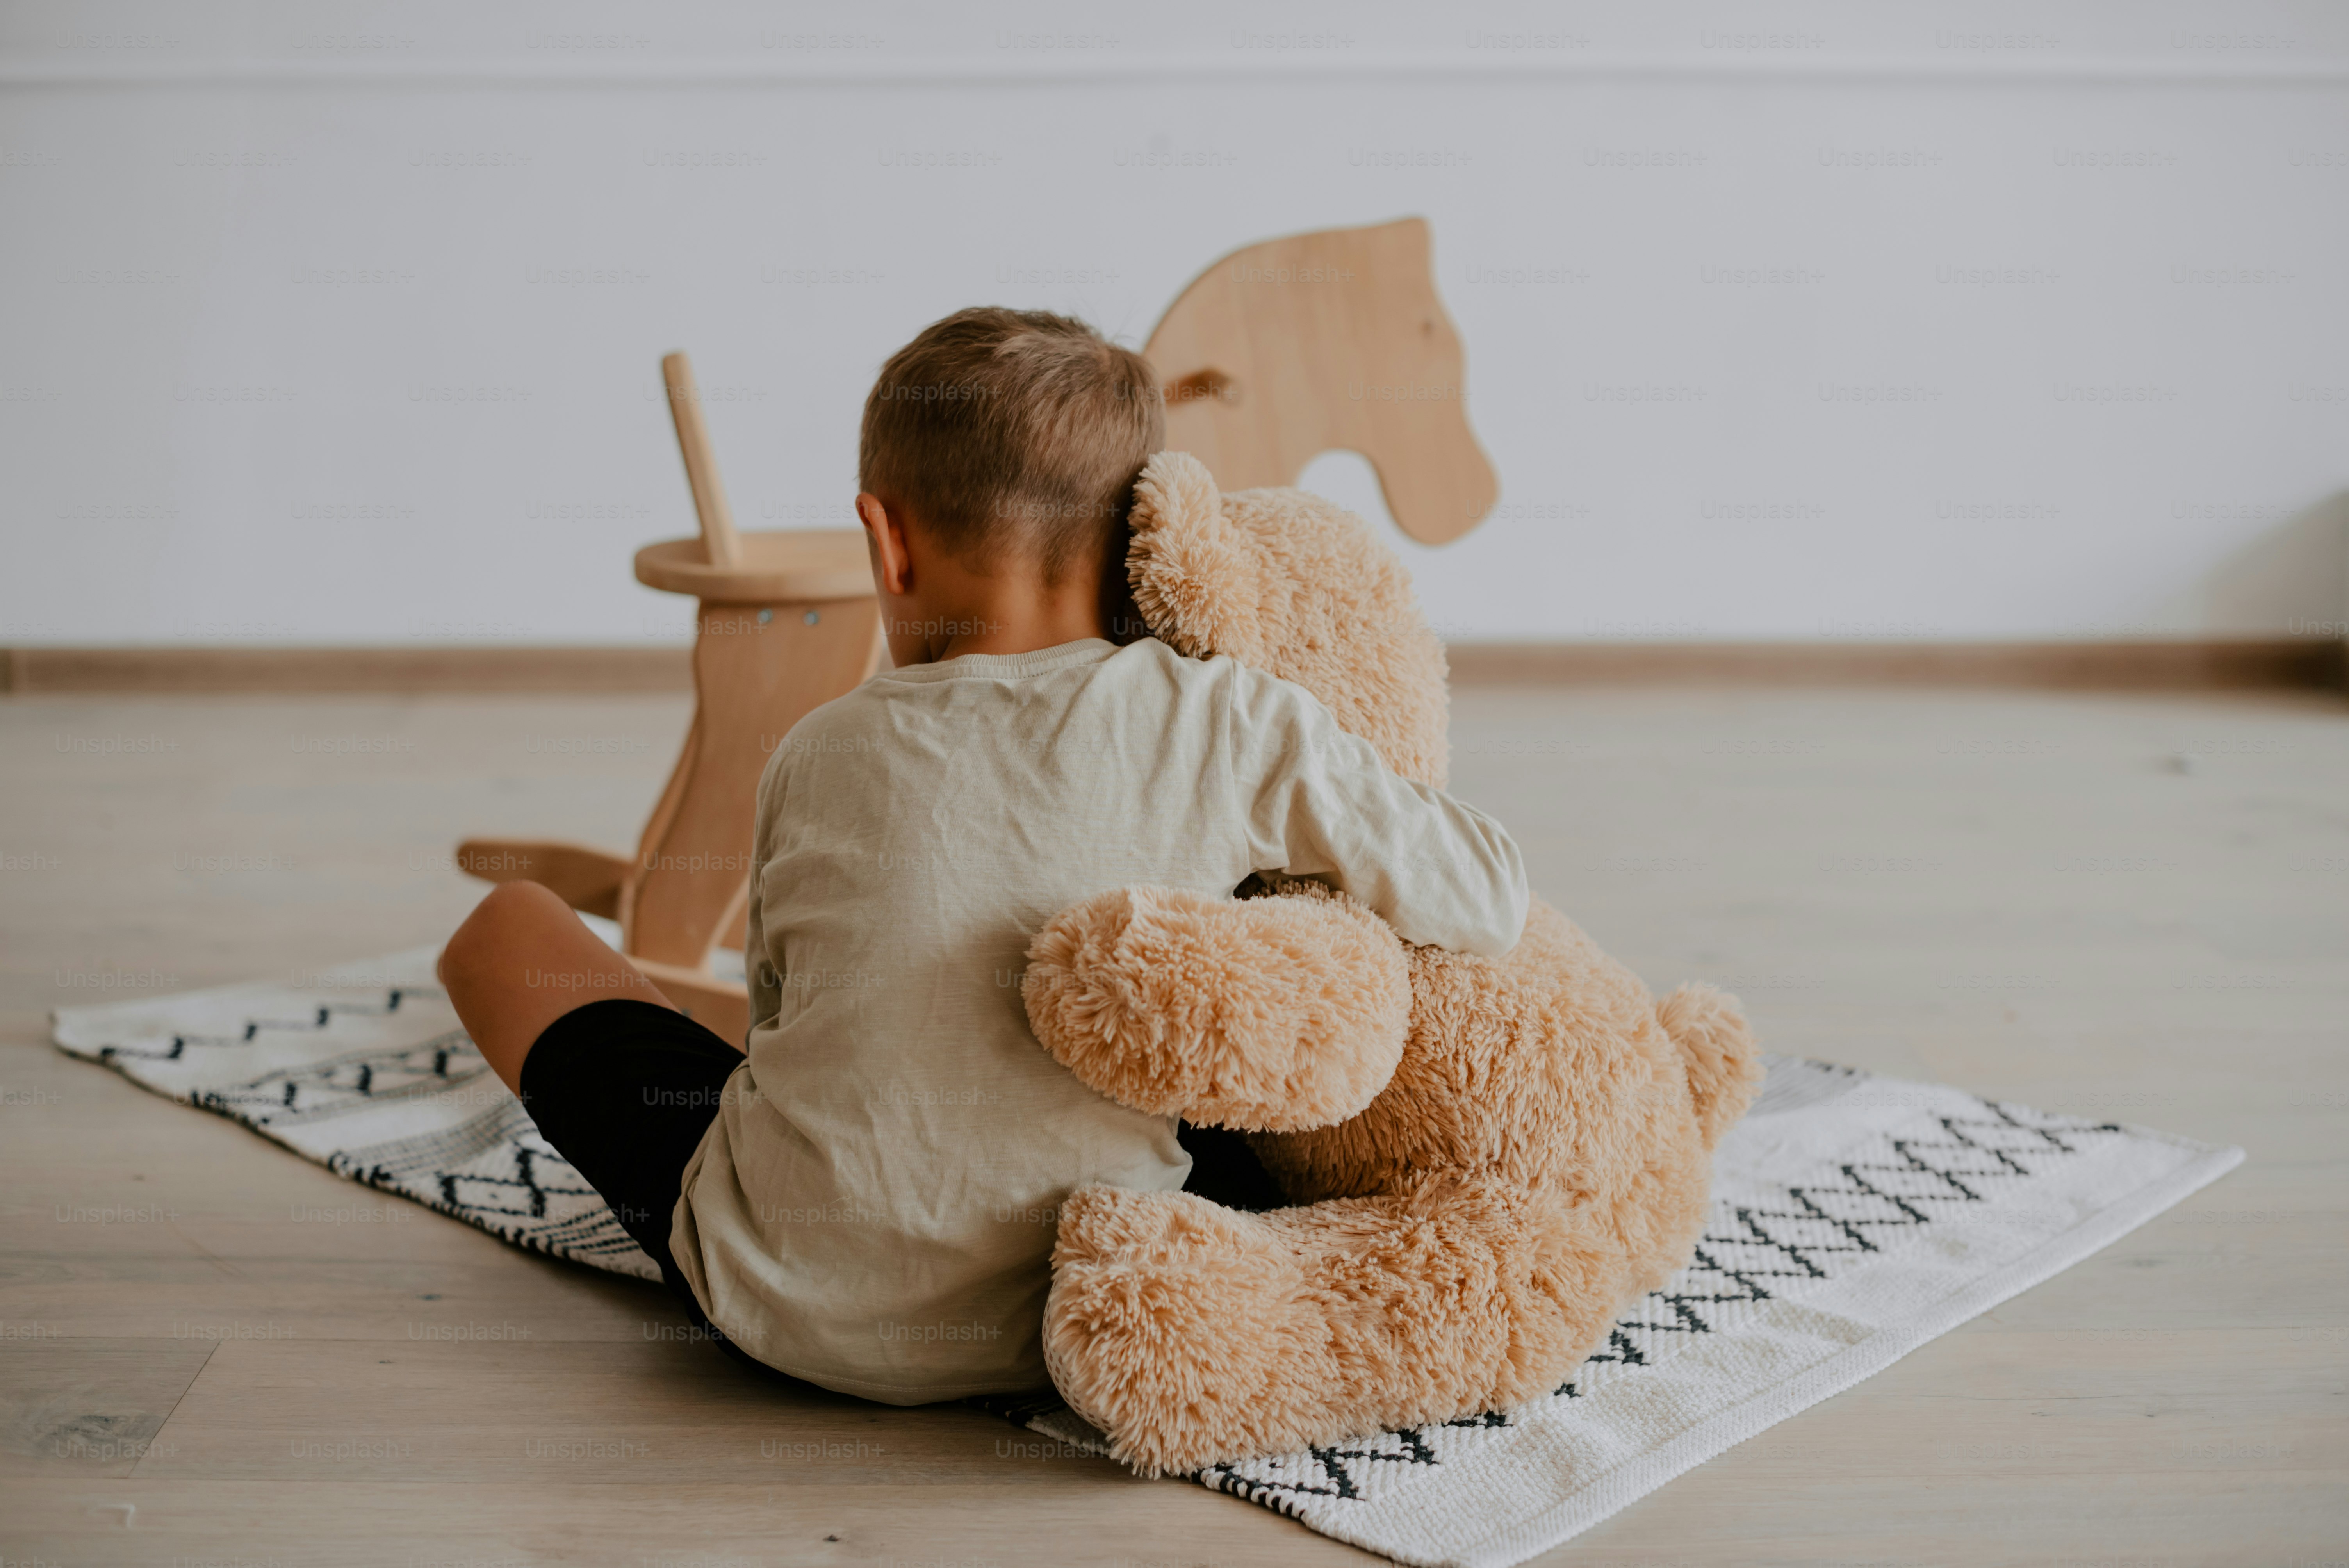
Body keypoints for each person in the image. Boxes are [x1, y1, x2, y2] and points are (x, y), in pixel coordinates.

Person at [436, 306, 1529, 1402]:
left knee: (507, 933)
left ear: (886, 540)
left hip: (779, 1305)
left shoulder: (820, 749)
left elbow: (776, 1016)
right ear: (1142, 539)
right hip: (1083, 1307)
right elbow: (1486, 894)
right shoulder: (1234, 718)